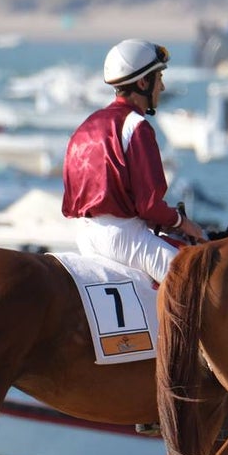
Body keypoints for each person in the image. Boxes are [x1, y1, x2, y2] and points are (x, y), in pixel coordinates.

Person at [62, 39, 206, 284]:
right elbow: (148, 204)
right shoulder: (137, 126)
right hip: (124, 239)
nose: (162, 86)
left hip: (85, 235)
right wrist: (184, 223)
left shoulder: (86, 126)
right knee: (197, 284)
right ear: (143, 82)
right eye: (159, 78)